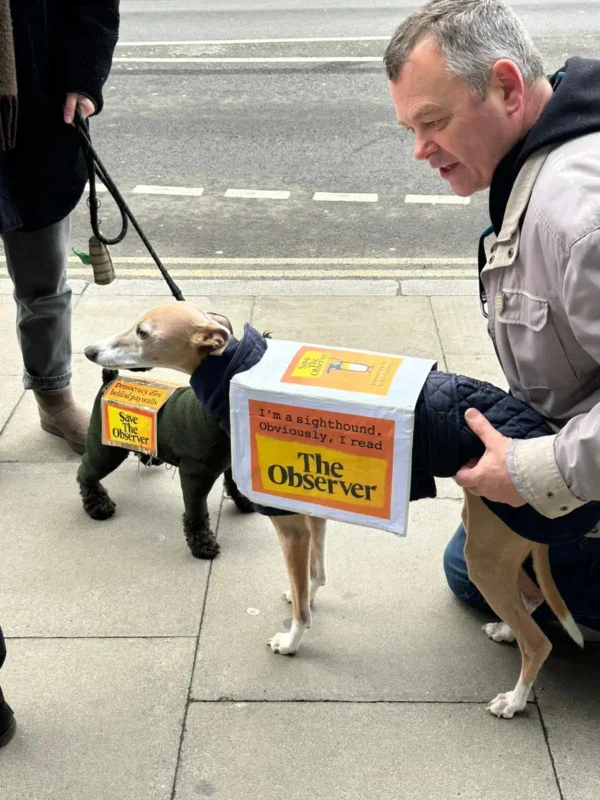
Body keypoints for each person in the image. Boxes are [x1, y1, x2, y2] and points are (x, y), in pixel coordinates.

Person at [385, 0, 600, 630]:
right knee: (475, 556)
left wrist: (536, 469)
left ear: (506, 86)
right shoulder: (540, 156)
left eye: (434, 121)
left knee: (470, 571)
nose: (421, 150)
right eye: (409, 130)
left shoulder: (581, 221)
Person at [0, 0, 120, 454]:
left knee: (43, 284)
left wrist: (85, 80)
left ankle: (54, 400)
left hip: (37, 118)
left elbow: (94, 6)